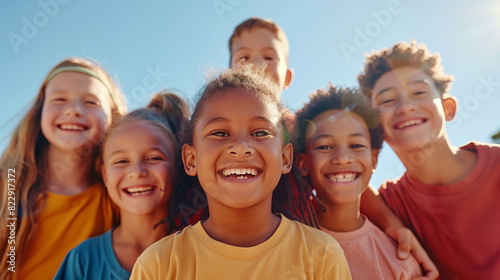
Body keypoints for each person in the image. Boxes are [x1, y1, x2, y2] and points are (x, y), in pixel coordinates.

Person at [130, 67, 351, 279]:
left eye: (261, 132)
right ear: (191, 159)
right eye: (219, 133)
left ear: (285, 158)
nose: (241, 146)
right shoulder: (158, 265)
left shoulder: (322, 254)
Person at [358, 40, 500, 279]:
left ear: (448, 108)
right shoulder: (390, 205)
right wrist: (389, 219)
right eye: (387, 100)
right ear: (374, 126)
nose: (405, 106)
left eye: (419, 92)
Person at [0, 58, 127, 280]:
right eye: (60, 99)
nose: (73, 110)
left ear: (113, 118)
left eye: (91, 102)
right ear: (41, 110)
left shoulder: (118, 198)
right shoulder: (7, 187)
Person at [293, 85, 430, 279]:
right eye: (324, 146)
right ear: (303, 162)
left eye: (356, 145)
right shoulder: (283, 241)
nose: (342, 158)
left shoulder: (400, 260)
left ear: (374, 159)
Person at [53, 92, 189, 279]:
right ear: (105, 175)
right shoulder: (83, 260)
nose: (137, 171)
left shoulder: (197, 252)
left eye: (154, 158)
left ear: (178, 167)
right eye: (121, 161)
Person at [229, 17, 293, 97]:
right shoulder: (212, 108)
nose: (256, 64)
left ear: (287, 78)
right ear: (228, 75)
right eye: (244, 57)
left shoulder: (311, 109)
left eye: (269, 58)